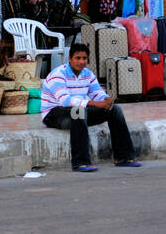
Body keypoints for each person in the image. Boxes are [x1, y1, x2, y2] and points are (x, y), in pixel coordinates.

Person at [41, 43, 141, 173]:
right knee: (79, 111)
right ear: (70, 59)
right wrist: (94, 104)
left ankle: (124, 157)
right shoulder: (58, 74)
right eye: (78, 58)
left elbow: (97, 92)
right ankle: (80, 163)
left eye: (84, 58)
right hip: (54, 114)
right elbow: (65, 100)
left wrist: (106, 100)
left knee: (115, 110)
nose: (81, 62)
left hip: (78, 111)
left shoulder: (88, 74)